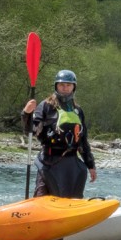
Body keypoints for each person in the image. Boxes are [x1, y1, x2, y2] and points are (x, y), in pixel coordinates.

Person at [21, 69, 98, 198]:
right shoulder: (46, 106)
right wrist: (26, 114)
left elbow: (83, 141)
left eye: (68, 85)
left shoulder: (78, 111)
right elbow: (32, 130)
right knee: (41, 195)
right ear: (56, 86)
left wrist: (90, 165)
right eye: (62, 85)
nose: (65, 88)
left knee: (71, 197)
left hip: (71, 162)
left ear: (73, 87)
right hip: (49, 161)